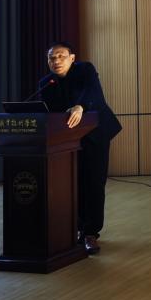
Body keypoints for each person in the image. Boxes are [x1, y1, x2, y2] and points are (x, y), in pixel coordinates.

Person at [34, 42, 122, 255]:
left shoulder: (85, 70)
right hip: (65, 140)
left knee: (93, 183)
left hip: (95, 135)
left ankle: (90, 233)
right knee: (71, 184)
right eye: (51, 58)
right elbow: (49, 113)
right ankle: (72, 229)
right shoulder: (46, 83)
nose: (56, 61)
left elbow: (95, 95)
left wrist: (80, 106)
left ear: (72, 58)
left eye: (61, 56)